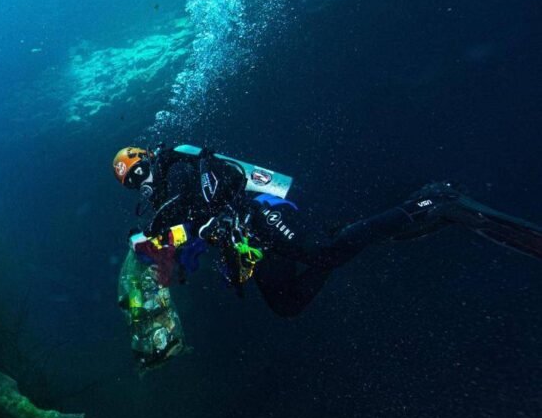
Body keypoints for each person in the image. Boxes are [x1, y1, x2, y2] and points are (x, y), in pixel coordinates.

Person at [113, 144, 542, 318]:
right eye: (132, 182)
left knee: (325, 252)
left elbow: (221, 182)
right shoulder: (162, 205)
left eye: (140, 171)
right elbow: (186, 245)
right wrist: (157, 253)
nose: (141, 182)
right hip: (249, 249)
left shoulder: (179, 168)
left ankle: (431, 203)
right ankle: (350, 233)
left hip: (256, 215)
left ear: (149, 158)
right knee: (287, 304)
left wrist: (209, 221)